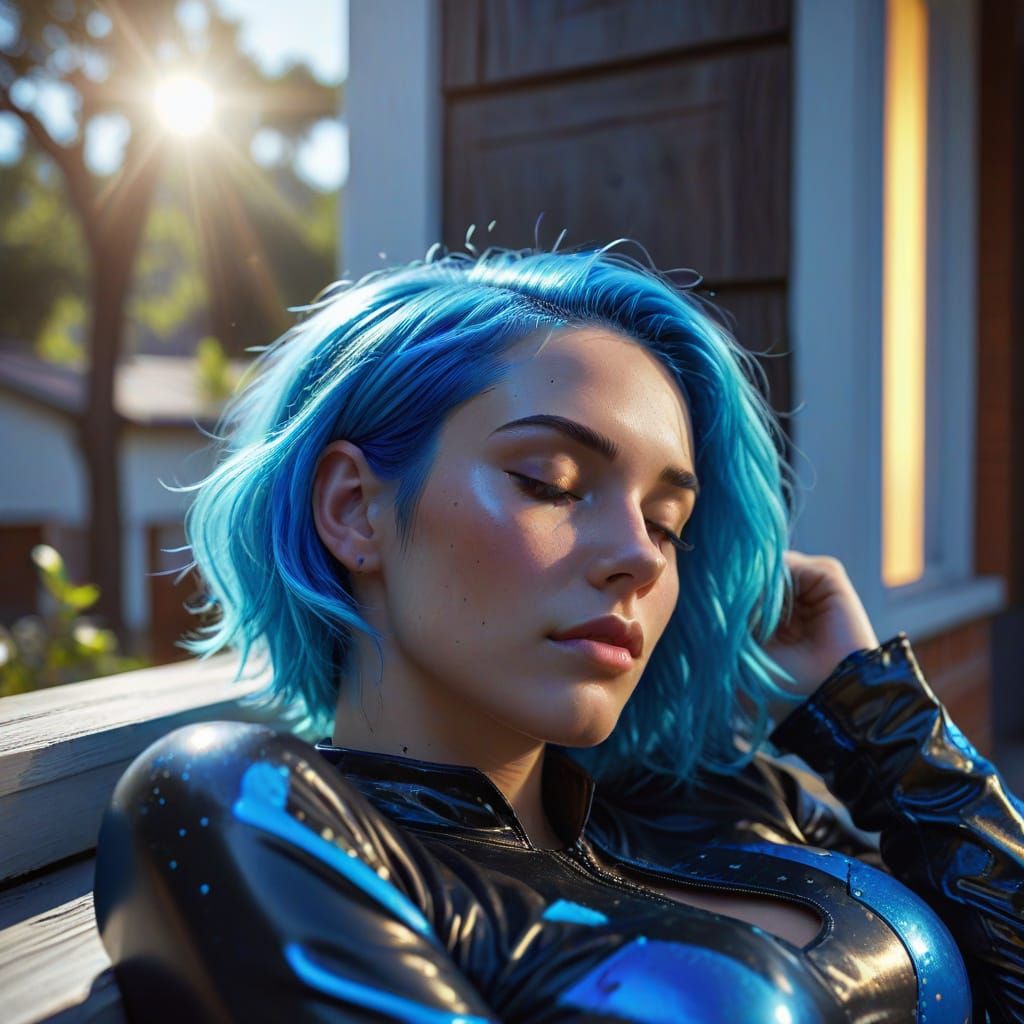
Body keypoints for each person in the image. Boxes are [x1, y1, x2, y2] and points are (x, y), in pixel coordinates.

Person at [93, 245, 1024, 1023]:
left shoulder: (723, 797)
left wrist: (874, 713)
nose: (642, 558)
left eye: (666, 522)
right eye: (550, 480)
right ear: (353, 510)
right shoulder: (249, 804)